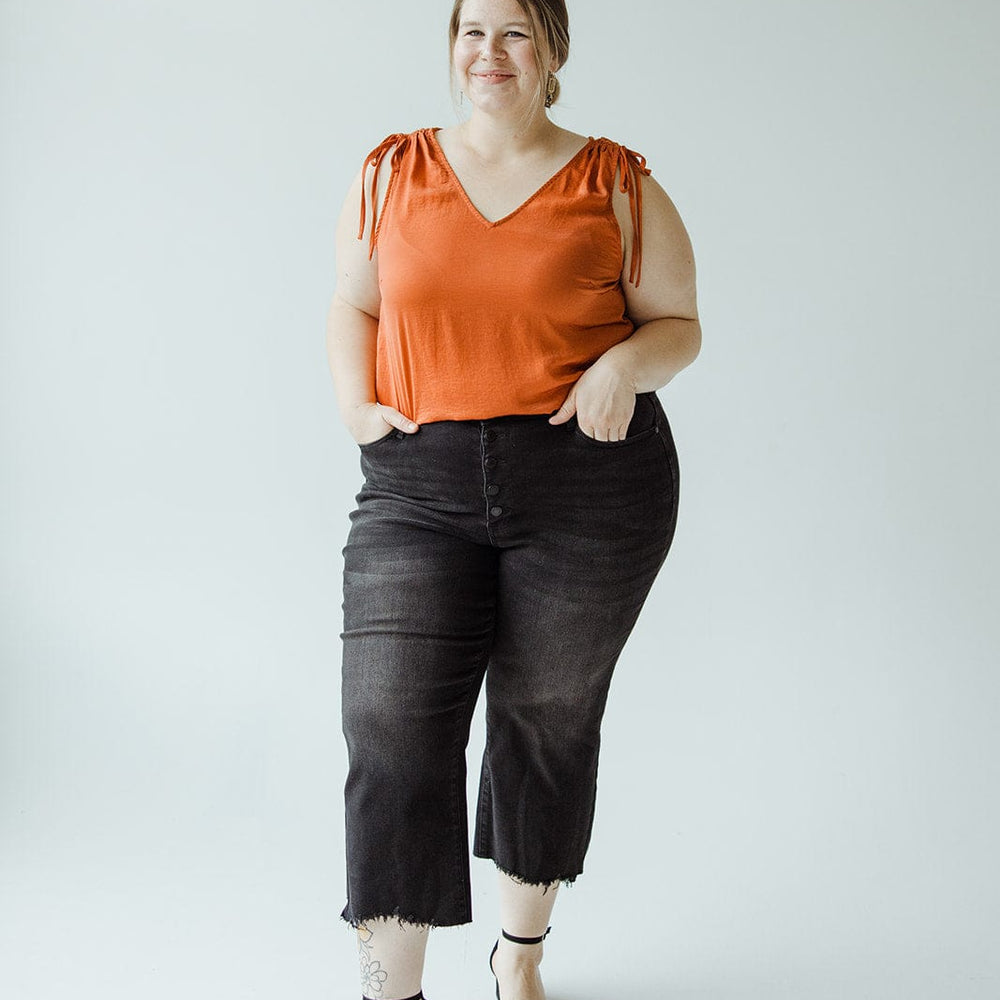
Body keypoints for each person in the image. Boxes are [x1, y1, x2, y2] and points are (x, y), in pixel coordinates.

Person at [325, 0, 700, 997]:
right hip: (417, 485)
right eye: (471, 30)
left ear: (553, 52)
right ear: (451, 46)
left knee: (544, 714)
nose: (488, 51)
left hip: (589, 482)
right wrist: (357, 404)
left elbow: (679, 323)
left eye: (515, 32)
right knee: (390, 722)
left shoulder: (615, 180)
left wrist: (625, 361)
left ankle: (520, 956)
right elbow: (355, 301)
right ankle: (390, 988)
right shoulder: (390, 172)